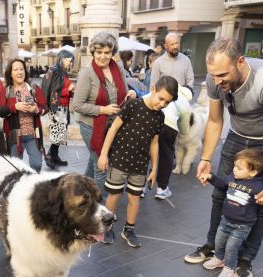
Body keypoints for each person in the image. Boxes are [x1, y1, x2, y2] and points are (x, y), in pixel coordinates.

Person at [184, 38, 263, 277]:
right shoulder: (216, 80)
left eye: (222, 74)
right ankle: (215, 247)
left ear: (240, 62)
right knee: (220, 194)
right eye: (213, 75)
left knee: (261, 201)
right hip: (237, 135)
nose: (217, 80)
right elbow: (214, 121)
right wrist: (205, 158)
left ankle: (245, 259)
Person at [97, 76, 177, 247]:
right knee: (114, 195)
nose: (162, 104)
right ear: (153, 89)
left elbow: (154, 143)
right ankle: (107, 226)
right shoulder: (132, 105)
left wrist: (154, 169)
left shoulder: (159, 117)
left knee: (135, 198)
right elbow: (113, 129)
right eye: (161, 98)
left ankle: (129, 229)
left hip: (140, 166)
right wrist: (104, 154)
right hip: (119, 161)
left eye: (167, 102)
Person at [72, 31, 136, 196]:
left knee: (93, 161)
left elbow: (124, 91)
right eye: (99, 52)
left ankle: (81, 193)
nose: (102, 56)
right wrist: (103, 109)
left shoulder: (118, 68)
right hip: (91, 126)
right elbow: (77, 105)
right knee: (102, 165)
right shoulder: (87, 73)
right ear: (93, 51)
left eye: (107, 52)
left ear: (112, 52)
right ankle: (102, 208)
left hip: (112, 125)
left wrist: (131, 94)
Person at [199, 149, 263, 277]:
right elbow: (220, 182)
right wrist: (210, 176)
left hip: (241, 226)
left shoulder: (258, 187)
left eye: (239, 168)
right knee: (219, 242)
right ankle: (218, 259)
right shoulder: (232, 178)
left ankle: (229, 269)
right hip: (225, 221)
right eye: (234, 166)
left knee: (231, 248)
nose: (234, 170)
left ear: (253, 172)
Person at [0, 58, 48, 172]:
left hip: (34, 134)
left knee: (37, 165)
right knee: (16, 168)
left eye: (22, 69)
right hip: (14, 135)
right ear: (10, 73)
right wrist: (14, 107)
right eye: (16, 70)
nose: (20, 72)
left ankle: (33, 186)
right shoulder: (6, 90)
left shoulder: (34, 89)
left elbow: (45, 108)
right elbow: (0, 111)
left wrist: (36, 110)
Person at [153, 83, 193, 199]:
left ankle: (140, 189)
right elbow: (184, 128)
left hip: (151, 120)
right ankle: (162, 189)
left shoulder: (166, 89)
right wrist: (183, 131)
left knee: (145, 154)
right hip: (169, 125)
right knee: (166, 155)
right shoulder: (185, 101)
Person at [41, 49, 75, 169]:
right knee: (57, 132)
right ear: (62, 59)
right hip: (57, 107)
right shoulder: (55, 71)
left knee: (60, 132)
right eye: (70, 61)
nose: (71, 64)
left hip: (63, 107)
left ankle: (54, 156)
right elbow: (53, 91)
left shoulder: (62, 72)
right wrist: (68, 90)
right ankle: (50, 155)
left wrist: (70, 92)